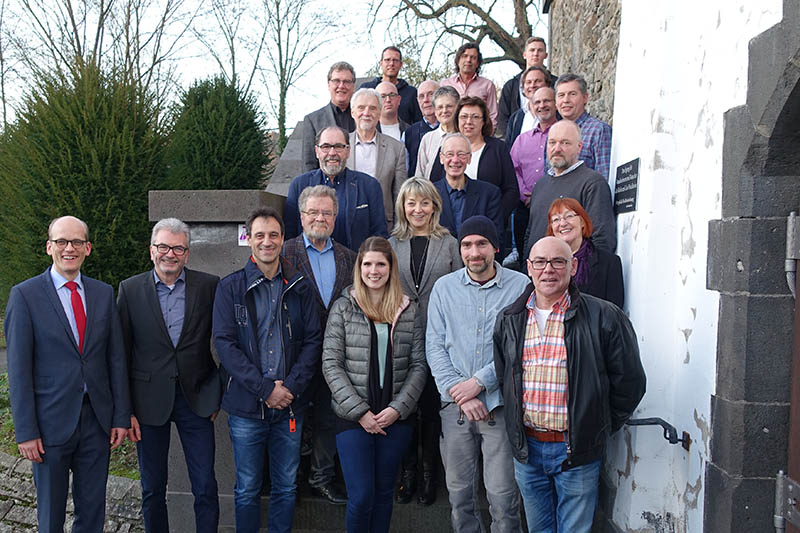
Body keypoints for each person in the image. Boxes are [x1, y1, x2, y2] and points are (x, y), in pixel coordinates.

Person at [494, 236, 645, 532]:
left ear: (573, 266)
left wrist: (596, 424)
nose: (548, 269)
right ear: (529, 267)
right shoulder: (509, 319)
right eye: (540, 262)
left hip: (575, 449)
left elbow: (631, 383)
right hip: (528, 448)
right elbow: (505, 379)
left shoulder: (604, 316)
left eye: (558, 261)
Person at [5, 215, 130, 532]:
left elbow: (115, 359)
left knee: (92, 514)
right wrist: (26, 430)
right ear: (49, 247)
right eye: (61, 241)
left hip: (96, 422)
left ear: (88, 248)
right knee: (51, 516)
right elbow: (18, 370)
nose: (69, 248)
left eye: (76, 242)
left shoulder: (103, 294)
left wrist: (119, 417)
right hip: (48, 426)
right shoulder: (25, 296)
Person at [213, 207, 322, 533]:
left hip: (291, 405)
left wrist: (288, 388)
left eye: (273, 234)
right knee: (247, 487)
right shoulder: (230, 287)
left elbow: (314, 341)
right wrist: (265, 389)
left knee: (286, 485)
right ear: (248, 239)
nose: (267, 241)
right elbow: (225, 345)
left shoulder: (301, 286)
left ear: (283, 238)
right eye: (259, 235)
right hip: (246, 408)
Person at [117, 218, 221, 532]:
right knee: (152, 488)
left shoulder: (209, 286)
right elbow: (120, 353)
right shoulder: (130, 290)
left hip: (197, 399)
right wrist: (126, 411)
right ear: (152, 251)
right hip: (147, 403)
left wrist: (217, 392)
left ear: (187, 254)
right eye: (163, 246)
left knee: (205, 485)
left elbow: (228, 340)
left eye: (178, 248)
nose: (170, 254)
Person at [426, 215, 529, 532]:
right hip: (454, 410)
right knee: (459, 496)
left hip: (499, 407)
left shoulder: (521, 286)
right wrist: (460, 391)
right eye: (467, 245)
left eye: (482, 244)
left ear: (496, 247)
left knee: (503, 496)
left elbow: (521, 347)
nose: (474, 252)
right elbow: (434, 346)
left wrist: (479, 383)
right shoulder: (444, 288)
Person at [322, 236, 427, 533]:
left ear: (391, 267)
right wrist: (359, 412)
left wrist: (398, 409)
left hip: (395, 418)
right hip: (353, 418)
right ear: (359, 267)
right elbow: (331, 364)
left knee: (383, 494)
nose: (373, 270)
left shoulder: (408, 309)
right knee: (362, 496)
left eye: (380, 264)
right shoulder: (344, 307)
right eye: (367, 264)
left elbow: (418, 365)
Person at [389, 178, 462, 506]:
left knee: (432, 409)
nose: (417, 209)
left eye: (424, 203)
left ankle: (431, 474)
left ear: (434, 206)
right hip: (402, 335)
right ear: (403, 206)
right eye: (411, 203)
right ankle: (408, 472)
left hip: (440, 336)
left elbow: (461, 287)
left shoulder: (449, 243)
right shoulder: (391, 244)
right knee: (405, 407)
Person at [282, 185, 356, 505]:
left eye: (326, 212)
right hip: (295, 356)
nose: (320, 218)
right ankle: (291, 478)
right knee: (293, 419)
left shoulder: (350, 258)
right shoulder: (283, 254)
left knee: (329, 418)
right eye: (313, 212)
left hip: (336, 357)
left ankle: (321, 477)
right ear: (301, 216)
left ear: (335, 218)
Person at [285, 125, 389, 251]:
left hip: (356, 266)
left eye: (339, 146)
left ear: (348, 151)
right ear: (317, 151)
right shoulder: (299, 185)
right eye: (326, 147)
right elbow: (290, 236)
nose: (332, 153)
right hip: (309, 267)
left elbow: (380, 235)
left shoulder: (369, 186)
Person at [523, 120, 616, 260]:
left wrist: (579, 276)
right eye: (552, 142)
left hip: (573, 277)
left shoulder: (592, 183)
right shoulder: (540, 185)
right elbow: (531, 233)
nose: (557, 148)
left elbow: (602, 240)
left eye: (565, 143)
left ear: (579, 147)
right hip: (537, 274)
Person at [430, 96, 519, 226]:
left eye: (475, 117)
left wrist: (494, 217)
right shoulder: (446, 148)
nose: (469, 121)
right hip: (448, 227)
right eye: (464, 117)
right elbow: (434, 188)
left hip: (488, 224)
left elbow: (512, 191)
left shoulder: (498, 148)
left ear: (484, 121)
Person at [346, 88, 407, 231]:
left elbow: (399, 194)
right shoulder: (341, 145)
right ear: (352, 112)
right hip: (346, 224)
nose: (366, 113)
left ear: (379, 113)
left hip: (383, 225)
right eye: (361, 108)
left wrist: (399, 231)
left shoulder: (396, 148)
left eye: (372, 108)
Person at [509, 86, 558, 263]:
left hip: (555, 206)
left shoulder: (561, 134)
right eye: (537, 102)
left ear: (556, 104)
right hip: (525, 207)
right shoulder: (522, 139)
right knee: (527, 258)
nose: (542, 105)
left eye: (547, 101)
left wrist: (541, 196)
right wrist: (526, 196)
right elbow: (512, 169)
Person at [546, 198, 624, 307]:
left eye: (569, 216)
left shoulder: (609, 263)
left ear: (582, 221)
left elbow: (615, 312)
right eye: (556, 219)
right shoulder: (542, 264)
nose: (562, 223)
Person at [433, 133, 504, 240]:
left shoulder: (489, 194)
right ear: (441, 158)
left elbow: (496, 238)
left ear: (469, 158)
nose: (455, 160)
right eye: (450, 154)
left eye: (461, 154)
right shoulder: (430, 194)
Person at [555, 73, 613, 180]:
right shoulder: (553, 135)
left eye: (572, 94)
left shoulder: (599, 131)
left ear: (585, 98)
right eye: (561, 95)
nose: (566, 100)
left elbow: (604, 179)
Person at [302, 62, 357, 172]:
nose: (341, 86)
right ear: (329, 85)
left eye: (347, 81)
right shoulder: (313, 121)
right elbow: (309, 165)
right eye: (336, 81)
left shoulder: (363, 117)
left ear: (353, 86)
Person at [498, 37, 556, 136]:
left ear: (546, 55)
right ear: (524, 54)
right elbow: (503, 118)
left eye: (540, 50)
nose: (535, 53)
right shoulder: (511, 86)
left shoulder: (555, 84)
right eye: (532, 50)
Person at [440, 42, 499, 130]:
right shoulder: (445, 85)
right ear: (458, 60)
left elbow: (493, 115)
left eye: (473, 57)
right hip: (451, 136)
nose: (468, 60)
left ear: (478, 63)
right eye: (465, 56)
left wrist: (487, 137)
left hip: (478, 137)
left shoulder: (487, 85)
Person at [359, 45, 422, 125]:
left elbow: (418, 122)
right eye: (387, 60)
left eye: (395, 60)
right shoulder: (367, 89)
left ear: (401, 64)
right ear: (381, 63)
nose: (391, 63)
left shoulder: (411, 93)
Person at [414, 85, 460, 180]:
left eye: (449, 106)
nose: (444, 111)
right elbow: (420, 174)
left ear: (458, 108)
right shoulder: (427, 139)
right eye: (440, 107)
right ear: (435, 111)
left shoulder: (465, 138)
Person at [505, 66, 553, 149]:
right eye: (528, 82)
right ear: (523, 88)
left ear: (547, 85)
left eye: (538, 81)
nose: (532, 85)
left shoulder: (557, 114)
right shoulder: (516, 118)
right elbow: (509, 149)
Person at [405, 80, 439, 177]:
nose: (426, 100)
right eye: (421, 96)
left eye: (430, 94)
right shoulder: (408, 134)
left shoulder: (454, 128)